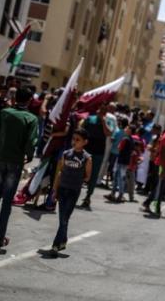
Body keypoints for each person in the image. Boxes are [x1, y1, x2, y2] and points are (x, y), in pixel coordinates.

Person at [0, 87, 38, 248]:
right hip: (15, 160)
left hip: (0, 158)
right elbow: (31, 141)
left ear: (15, 97)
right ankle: (0, 237)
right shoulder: (31, 119)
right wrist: (29, 155)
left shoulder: (5, 113)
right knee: (7, 199)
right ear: (29, 100)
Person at [49, 129, 92, 257]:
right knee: (63, 218)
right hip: (62, 189)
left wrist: (77, 179)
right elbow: (60, 172)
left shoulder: (87, 158)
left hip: (74, 191)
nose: (74, 142)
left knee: (64, 218)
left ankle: (56, 245)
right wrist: (55, 189)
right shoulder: (66, 154)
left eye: (78, 140)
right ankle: (62, 241)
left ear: (85, 142)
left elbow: (87, 177)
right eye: (73, 139)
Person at [141, 117, 165, 218]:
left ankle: (148, 203)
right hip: (163, 165)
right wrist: (162, 169)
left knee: (159, 188)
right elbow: (163, 153)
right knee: (160, 189)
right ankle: (156, 209)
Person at [106, 124, 135, 203]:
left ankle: (120, 195)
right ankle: (113, 194)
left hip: (121, 160)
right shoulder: (131, 140)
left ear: (130, 130)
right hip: (126, 161)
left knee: (119, 178)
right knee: (118, 177)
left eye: (127, 128)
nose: (125, 129)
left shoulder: (125, 139)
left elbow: (119, 147)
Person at [98, 102, 118, 187]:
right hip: (108, 139)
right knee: (104, 159)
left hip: (99, 138)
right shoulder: (112, 117)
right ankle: (98, 179)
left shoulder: (101, 114)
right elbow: (114, 129)